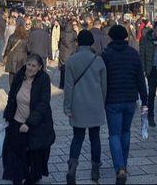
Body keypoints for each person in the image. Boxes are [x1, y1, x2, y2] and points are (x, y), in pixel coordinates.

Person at [102, 25, 149, 184]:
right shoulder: (133, 53)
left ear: (111, 37)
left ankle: (120, 167)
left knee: (114, 134)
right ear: (125, 37)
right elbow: (140, 79)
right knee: (125, 132)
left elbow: (101, 79)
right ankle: (124, 163)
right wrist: (145, 99)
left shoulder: (106, 54)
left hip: (112, 99)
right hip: (130, 99)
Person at [2, 54, 55, 185]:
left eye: (34, 66)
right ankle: (17, 177)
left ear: (40, 67)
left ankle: (33, 177)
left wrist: (29, 123)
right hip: (17, 120)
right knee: (16, 151)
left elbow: (43, 103)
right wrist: (8, 115)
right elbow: (12, 97)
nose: (30, 68)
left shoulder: (43, 79)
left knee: (34, 153)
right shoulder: (20, 76)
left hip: (36, 123)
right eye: (29, 64)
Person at [63, 30, 107, 184]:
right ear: (91, 43)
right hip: (95, 105)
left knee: (77, 138)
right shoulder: (99, 60)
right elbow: (104, 87)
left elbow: (68, 87)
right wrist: (103, 104)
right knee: (95, 138)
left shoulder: (71, 60)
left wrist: (67, 107)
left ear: (78, 42)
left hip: (78, 105)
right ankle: (95, 169)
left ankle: (72, 168)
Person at [59, 21, 78, 89]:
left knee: (63, 70)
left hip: (63, 53)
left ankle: (62, 85)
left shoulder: (62, 33)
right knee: (71, 70)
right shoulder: (74, 33)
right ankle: (70, 84)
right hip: (71, 52)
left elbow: (59, 42)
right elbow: (77, 41)